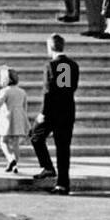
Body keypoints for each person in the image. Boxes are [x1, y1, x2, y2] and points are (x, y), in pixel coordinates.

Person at [29, 33, 79, 195]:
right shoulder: (73, 65)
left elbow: (48, 90)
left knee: (36, 136)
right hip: (68, 109)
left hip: (52, 111)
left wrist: (43, 112)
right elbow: (73, 87)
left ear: (50, 47)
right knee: (63, 147)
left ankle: (48, 167)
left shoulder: (50, 66)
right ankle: (63, 184)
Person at [0, 65, 29, 173]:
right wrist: (26, 124)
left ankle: (11, 159)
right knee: (15, 144)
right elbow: (25, 109)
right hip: (19, 118)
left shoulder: (5, 91)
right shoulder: (22, 92)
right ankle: (15, 166)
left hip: (7, 119)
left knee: (3, 141)